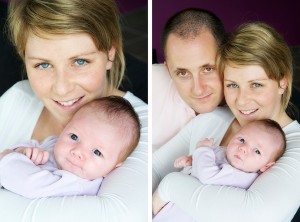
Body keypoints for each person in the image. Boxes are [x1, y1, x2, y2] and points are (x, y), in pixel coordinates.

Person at [0, 0, 147, 221]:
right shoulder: (17, 98)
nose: (61, 88)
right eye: (43, 64)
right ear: (24, 57)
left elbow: (118, 215)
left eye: (79, 61)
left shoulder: (141, 128)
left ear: (110, 53)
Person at [152, 22, 300, 221]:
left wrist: (170, 185)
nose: (241, 100)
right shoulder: (211, 120)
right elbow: (152, 168)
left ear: (282, 81)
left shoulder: (296, 148)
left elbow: (252, 214)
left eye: (256, 85)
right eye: (232, 85)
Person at [0, 96, 140, 198]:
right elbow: (30, 145)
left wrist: (7, 157)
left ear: (114, 167)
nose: (78, 151)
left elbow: (29, 184)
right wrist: (23, 151)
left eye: (97, 152)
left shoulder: (79, 185)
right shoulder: (54, 144)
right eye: (74, 137)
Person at [153, 119, 286, 221]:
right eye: (242, 139)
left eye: (257, 151)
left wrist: (202, 150)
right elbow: (205, 161)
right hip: (171, 208)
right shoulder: (225, 153)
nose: (243, 148)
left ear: (266, 166)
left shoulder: (242, 177)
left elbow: (207, 176)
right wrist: (191, 160)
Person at [152, 8, 227, 152]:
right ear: (167, 69)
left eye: (208, 69)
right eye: (183, 73)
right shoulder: (152, 82)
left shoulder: (247, 107)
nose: (198, 89)